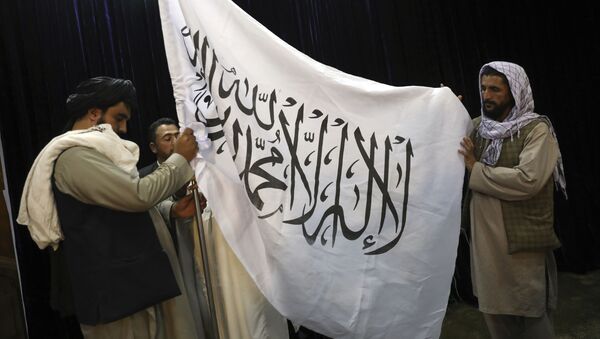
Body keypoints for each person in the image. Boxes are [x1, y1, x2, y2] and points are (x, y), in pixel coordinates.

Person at [17, 76, 203, 338]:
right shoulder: (75, 158)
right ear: (94, 113)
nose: (124, 128)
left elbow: (121, 210)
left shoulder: (100, 154)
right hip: (115, 298)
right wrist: (180, 159)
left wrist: (171, 211)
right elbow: (137, 196)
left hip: (135, 286)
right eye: (119, 118)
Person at [458, 61, 567, 339]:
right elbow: (445, 139)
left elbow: (527, 180)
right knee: (495, 315)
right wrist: (448, 112)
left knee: (531, 314)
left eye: (495, 89)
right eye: (483, 89)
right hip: (485, 243)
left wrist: (476, 167)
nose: (486, 96)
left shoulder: (536, 130)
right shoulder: (478, 127)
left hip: (521, 242)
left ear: (514, 92)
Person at [140, 117, 209, 338]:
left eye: (177, 136)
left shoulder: (203, 170)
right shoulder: (143, 178)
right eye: (167, 138)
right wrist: (173, 210)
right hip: (173, 259)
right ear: (153, 147)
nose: (175, 142)